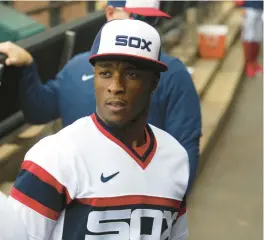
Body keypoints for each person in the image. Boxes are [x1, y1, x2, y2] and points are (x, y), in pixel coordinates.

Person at [8, 19, 190, 240]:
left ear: (153, 82)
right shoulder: (53, 158)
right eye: (105, 73)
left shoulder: (175, 157)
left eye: (131, 74)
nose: (115, 86)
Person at [0, 0, 201, 191]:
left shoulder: (172, 73)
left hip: (138, 204)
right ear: (111, 13)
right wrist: (27, 66)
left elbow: (185, 149)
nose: (145, 28)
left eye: (151, 20)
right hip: (79, 199)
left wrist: (167, 211)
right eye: (138, 17)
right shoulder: (76, 67)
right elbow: (39, 111)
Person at [235, 0, 263, 78]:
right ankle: (249, 63)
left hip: (260, 6)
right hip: (249, 6)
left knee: (258, 37)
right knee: (248, 37)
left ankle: (254, 62)